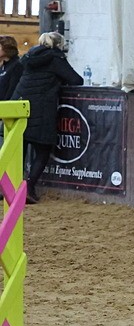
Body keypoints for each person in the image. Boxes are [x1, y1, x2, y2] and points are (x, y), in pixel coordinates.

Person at [13, 32, 83, 203]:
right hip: (41, 109)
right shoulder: (55, 58)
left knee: (19, 150)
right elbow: (76, 80)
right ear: (59, 45)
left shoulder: (28, 58)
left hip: (20, 106)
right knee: (43, 150)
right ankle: (29, 188)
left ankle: (12, 189)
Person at [0, 36, 24, 102]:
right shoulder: (3, 66)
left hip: (7, 105)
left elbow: (13, 89)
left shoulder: (17, 65)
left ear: (7, 48)